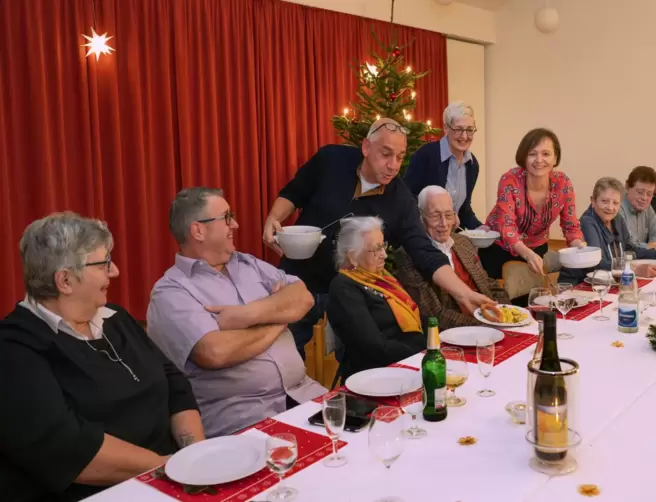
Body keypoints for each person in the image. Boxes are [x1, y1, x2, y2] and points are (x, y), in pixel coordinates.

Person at [0, 212, 204, 502]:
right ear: (66, 280)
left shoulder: (117, 318)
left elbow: (175, 385)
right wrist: (170, 468)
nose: (115, 271)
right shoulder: (14, 347)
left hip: (172, 477)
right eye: (104, 263)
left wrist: (194, 454)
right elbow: (68, 450)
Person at [263, 118, 490, 358]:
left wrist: (464, 293)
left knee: (354, 357)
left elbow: (425, 253)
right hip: (297, 278)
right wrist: (272, 219)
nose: (393, 165)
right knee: (285, 356)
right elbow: (294, 192)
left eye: (400, 157)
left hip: (349, 292)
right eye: (386, 154)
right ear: (366, 147)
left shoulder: (400, 200)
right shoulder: (331, 159)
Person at [147, 188, 327, 439]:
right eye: (227, 217)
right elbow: (216, 352)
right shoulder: (171, 292)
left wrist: (245, 315)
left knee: (368, 443)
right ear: (198, 230)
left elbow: (304, 297)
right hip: (243, 421)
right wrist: (280, 316)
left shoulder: (248, 264)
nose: (236, 224)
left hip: (305, 396)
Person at [394, 186, 510, 330]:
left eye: (449, 215)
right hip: (455, 335)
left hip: (493, 322)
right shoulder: (407, 256)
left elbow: (488, 284)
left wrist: (507, 312)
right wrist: (486, 325)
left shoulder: (464, 242)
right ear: (420, 216)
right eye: (436, 216)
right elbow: (434, 315)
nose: (443, 224)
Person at [327, 217, 426, 380]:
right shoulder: (343, 288)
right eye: (376, 249)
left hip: (408, 363)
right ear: (352, 257)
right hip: (376, 377)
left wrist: (438, 337)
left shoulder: (380, 277)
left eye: (383, 246)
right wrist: (423, 351)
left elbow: (417, 316)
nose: (384, 255)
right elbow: (374, 347)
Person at [479, 128, 585, 279]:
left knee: (533, 300)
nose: (539, 160)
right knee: (502, 301)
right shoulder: (510, 180)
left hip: (536, 249)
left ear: (555, 159)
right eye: (532, 154)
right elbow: (506, 226)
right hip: (499, 250)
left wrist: (579, 247)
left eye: (546, 154)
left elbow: (570, 225)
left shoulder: (563, 183)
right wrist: (528, 254)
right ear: (523, 158)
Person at [559, 179, 656, 285]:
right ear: (593, 201)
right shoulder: (587, 222)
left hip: (607, 283)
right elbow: (597, 263)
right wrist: (633, 269)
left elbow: (630, 250)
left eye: (615, 203)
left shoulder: (618, 219)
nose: (610, 208)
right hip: (578, 285)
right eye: (604, 201)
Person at [403, 102, 485, 230]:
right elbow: (406, 197)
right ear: (446, 128)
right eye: (458, 129)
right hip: (422, 233)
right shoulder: (426, 155)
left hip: (449, 236)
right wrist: (442, 215)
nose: (464, 136)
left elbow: (464, 210)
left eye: (469, 130)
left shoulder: (472, 165)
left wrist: (480, 228)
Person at [619, 166, 656, 249]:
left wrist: (653, 245)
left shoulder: (647, 207)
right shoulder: (617, 207)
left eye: (649, 194)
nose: (644, 198)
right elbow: (628, 244)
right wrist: (651, 247)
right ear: (627, 187)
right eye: (640, 192)